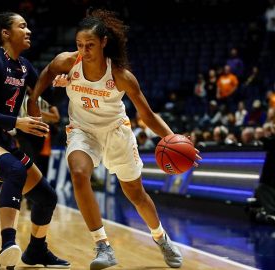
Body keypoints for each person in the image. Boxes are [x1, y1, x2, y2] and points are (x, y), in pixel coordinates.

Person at [28, 9, 200, 269]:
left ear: (104, 43)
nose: (83, 51)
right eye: (79, 45)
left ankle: (161, 237)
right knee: (78, 173)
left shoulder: (120, 75)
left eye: (90, 46)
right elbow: (47, 72)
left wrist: (172, 137)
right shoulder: (67, 62)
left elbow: (148, 114)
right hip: (82, 130)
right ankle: (103, 246)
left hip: (116, 132)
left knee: (135, 193)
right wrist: (33, 99)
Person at [0, 12, 69, 269]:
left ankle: (36, 251)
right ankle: (7, 245)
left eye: (28, 25)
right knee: (15, 171)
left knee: (46, 197)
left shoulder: (24, 66)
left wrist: (62, 82)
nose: (29, 30)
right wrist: (16, 122)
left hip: (2, 140)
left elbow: (47, 93)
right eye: (22, 26)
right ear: (5, 33)